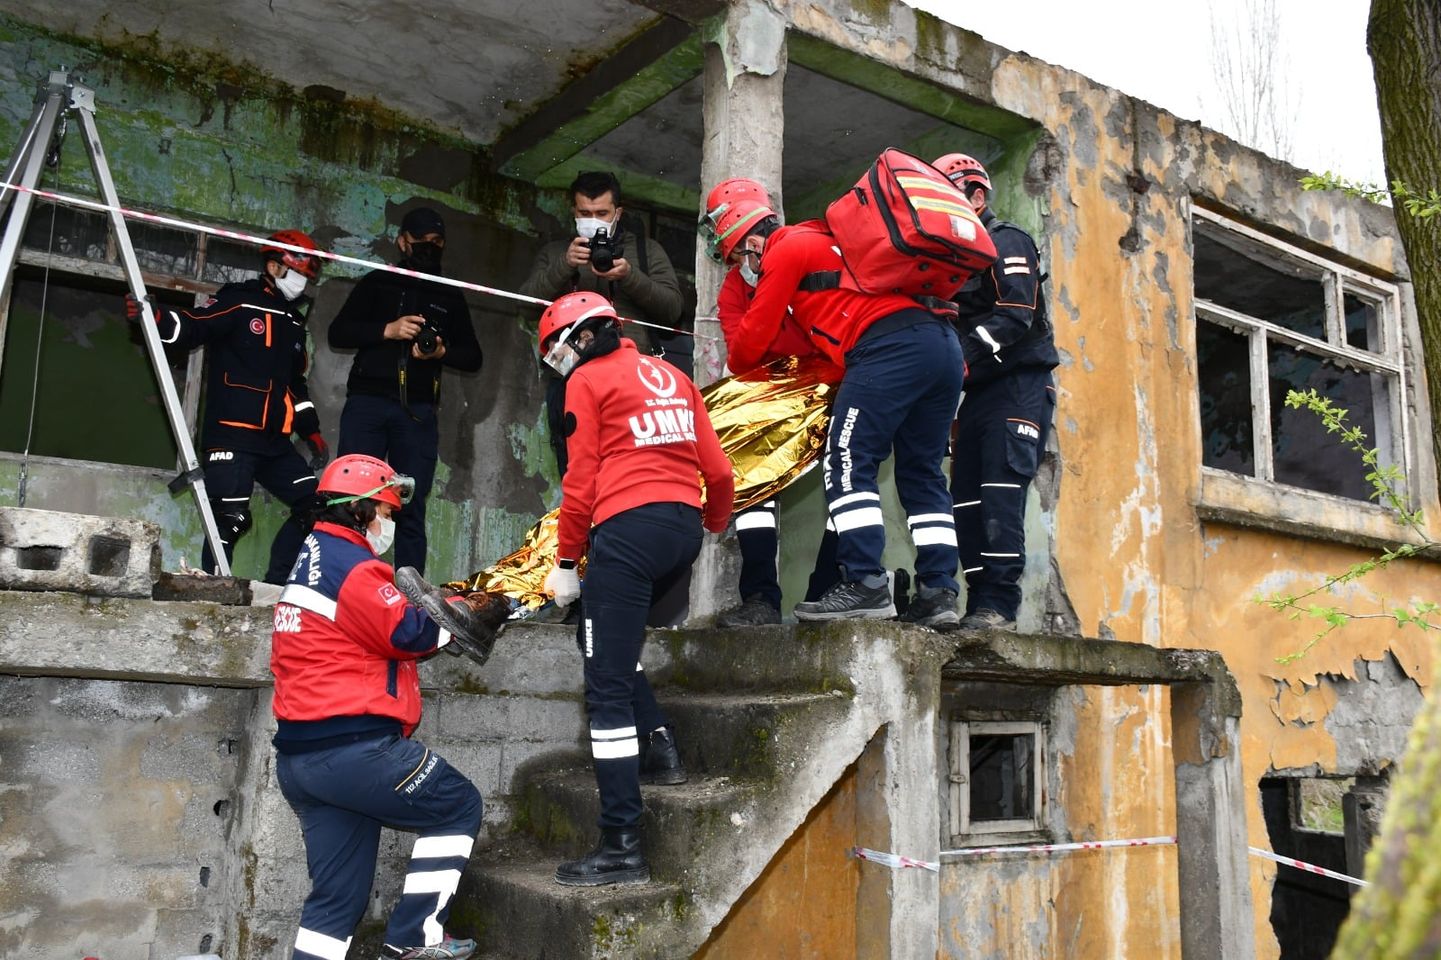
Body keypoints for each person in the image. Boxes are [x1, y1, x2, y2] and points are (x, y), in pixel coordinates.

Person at [536, 292, 733, 886]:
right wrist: (709, 525)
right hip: (681, 531)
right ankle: (660, 744)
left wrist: (566, 561)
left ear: (579, 337)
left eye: (555, 351)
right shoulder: (673, 376)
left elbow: (581, 482)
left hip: (626, 531)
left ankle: (621, 843)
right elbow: (719, 471)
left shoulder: (588, 379)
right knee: (602, 642)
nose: (557, 364)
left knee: (606, 692)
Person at [271, 453, 485, 960]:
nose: (389, 523)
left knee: (336, 902)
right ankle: (414, 941)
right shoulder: (351, 564)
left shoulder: (311, 559)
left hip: (301, 762)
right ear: (360, 509)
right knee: (458, 805)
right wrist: (460, 611)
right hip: (356, 752)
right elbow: (409, 632)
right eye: (387, 512)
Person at [721, 187, 965, 631]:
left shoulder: (787, 247)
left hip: (885, 348)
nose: (743, 266)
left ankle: (865, 581)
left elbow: (747, 346)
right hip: (942, 345)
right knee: (923, 473)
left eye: (740, 256)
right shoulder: (830, 238)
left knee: (848, 459)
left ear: (753, 242)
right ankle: (939, 591)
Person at [131, 229, 327, 582]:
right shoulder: (240, 301)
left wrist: (311, 431)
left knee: (317, 508)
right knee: (230, 518)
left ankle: (278, 585)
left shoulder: (294, 323)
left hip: (275, 443)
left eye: (307, 277)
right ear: (274, 266)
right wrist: (157, 318)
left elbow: (295, 385)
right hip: (232, 435)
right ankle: (212, 590)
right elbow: (194, 326)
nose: (302, 283)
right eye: (299, 274)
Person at [699, 184, 842, 627]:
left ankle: (828, 592)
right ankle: (761, 599)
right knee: (752, 485)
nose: (739, 264)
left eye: (739, 252)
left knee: (847, 483)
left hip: (837, 380)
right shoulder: (733, 289)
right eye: (732, 257)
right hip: (773, 393)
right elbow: (741, 354)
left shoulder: (801, 252)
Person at [934, 153, 1060, 634]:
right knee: (965, 499)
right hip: (978, 393)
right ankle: (978, 603)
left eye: (950, 197)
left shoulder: (1005, 240)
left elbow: (1014, 316)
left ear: (977, 195)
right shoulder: (954, 259)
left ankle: (999, 606)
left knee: (1000, 494)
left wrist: (956, 360)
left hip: (1020, 387)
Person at [327, 206, 483, 575]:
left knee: (410, 504)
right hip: (367, 403)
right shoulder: (377, 282)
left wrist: (441, 352)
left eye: (436, 242)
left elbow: (473, 356)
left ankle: (411, 592)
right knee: (352, 497)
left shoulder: (448, 294)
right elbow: (338, 333)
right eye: (420, 241)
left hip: (417, 412)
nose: (428, 248)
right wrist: (388, 330)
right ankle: (343, 579)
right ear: (402, 242)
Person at [518, 171, 683, 476]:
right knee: (577, 469)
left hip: (632, 377)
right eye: (584, 213)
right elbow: (525, 305)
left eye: (601, 213)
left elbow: (673, 310)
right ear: (573, 211)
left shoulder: (645, 251)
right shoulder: (557, 252)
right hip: (569, 375)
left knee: (634, 468)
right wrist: (564, 266)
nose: (592, 220)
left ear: (617, 213)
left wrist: (629, 276)